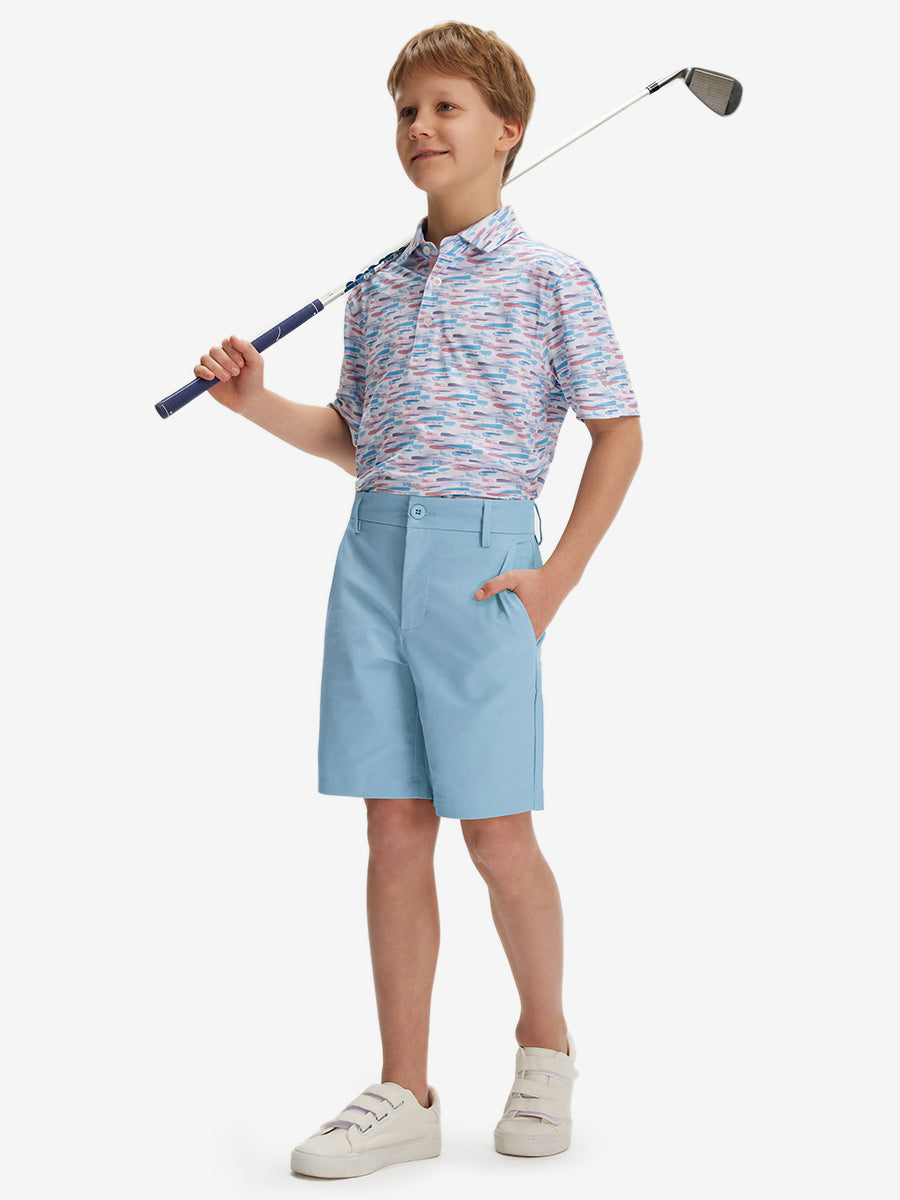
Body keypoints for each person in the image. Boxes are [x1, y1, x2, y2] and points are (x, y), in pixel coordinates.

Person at [193, 20, 642, 1181]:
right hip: (372, 554)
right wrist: (257, 403)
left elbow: (619, 433)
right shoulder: (378, 286)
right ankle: (406, 1089)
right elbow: (359, 438)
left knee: (495, 830)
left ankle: (545, 1047)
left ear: (507, 131)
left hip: (484, 562)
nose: (421, 127)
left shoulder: (552, 279)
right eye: (406, 110)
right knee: (393, 829)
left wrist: (556, 577)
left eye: (447, 107)